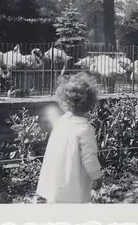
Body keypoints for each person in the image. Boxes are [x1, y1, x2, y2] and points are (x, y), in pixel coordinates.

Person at [36, 72, 103, 203]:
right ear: (90, 103)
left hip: (56, 178)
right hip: (73, 181)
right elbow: (89, 157)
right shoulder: (84, 128)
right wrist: (96, 176)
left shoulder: (61, 122)